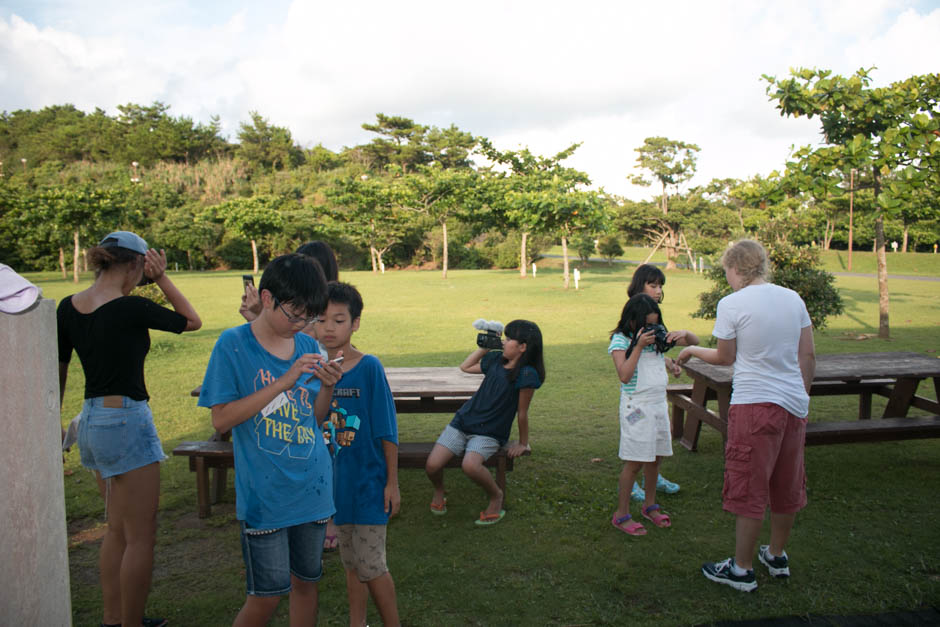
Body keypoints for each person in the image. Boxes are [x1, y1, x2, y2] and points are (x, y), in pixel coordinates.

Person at [57, 231, 201, 627]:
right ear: (137, 265)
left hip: (90, 420)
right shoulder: (132, 307)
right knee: (140, 535)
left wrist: (53, 422)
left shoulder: (68, 308)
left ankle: (113, 619)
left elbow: (60, 371)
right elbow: (192, 321)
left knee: (116, 529)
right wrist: (164, 280)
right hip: (126, 419)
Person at [198, 254, 343, 625]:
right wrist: (282, 381)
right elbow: (222, 418)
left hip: (312, 486)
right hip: (265, 496)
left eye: (308, 317)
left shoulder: (310, 349)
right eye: (293, 314)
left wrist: (326, 387)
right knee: (267, 595)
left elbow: (314, 417)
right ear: (266, 298)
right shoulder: (233, 345)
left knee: (306, 584)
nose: (301, 325)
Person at [676, 239, 815, 592]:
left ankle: (741, 570)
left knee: (749, 486)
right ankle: (777, 555)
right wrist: (801, 395)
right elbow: (807, 356)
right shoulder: (792, 298)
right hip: (793, 406)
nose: (728, 278)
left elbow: (725, 357)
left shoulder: (732, 303)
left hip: (754, 407)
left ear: (736, 268)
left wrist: (691, 349)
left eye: (727, 271)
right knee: (787, 482)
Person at [239, 240, 343, 552]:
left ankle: (328, 518)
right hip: (285, 404)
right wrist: (260, 318)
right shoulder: (237, 341)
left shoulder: (321, 307)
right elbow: (277, 342)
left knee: (326, 447)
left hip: (310, 395)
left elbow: (306, 335)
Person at [318, 281, 401, 627]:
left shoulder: (369, 368)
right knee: (352, 565)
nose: (329, 328)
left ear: (355, 324)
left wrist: (392, 483)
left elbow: (387, 429)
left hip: (368, 485)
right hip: (333, 490)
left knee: (371, 566)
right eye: (321, 320)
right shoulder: (310, 368)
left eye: (339, 320)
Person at [426, 320, 545, 526]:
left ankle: (496, 496)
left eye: (508, 339)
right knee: (432, 465)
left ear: (522, 347)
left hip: (489, 432)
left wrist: (522, 443)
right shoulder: (496, 360)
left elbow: (522, 413)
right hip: (463, 422)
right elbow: (465, 367)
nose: (504, 342)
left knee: (470, 466)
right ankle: (439, 489)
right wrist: (484, 348)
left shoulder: (527, 374)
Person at [608, 294, 696, 536]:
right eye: (646, 324)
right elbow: (624, 375)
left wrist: (684, 335)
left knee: (656, 458)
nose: (651, 329)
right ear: (633, 321)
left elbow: (695, 341)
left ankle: (649, 505)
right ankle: (621, 514)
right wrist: (637, 345)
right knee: (635, 461)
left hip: (658, 406)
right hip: (636, 409)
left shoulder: (656, 339)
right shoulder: (621, 340)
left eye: (655, 324)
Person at [625, 264, 700, 500]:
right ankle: (630, 482)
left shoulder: (656, 319)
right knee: (635, 439)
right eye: (653, 285)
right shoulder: (632, 320)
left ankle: (652, 479)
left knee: (657, 439)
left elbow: (656, 351)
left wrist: (682, 339)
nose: (658, 291)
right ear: (639, 286)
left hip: (656, 398)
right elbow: (628, 358)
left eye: (660, 286)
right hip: (636, 402)